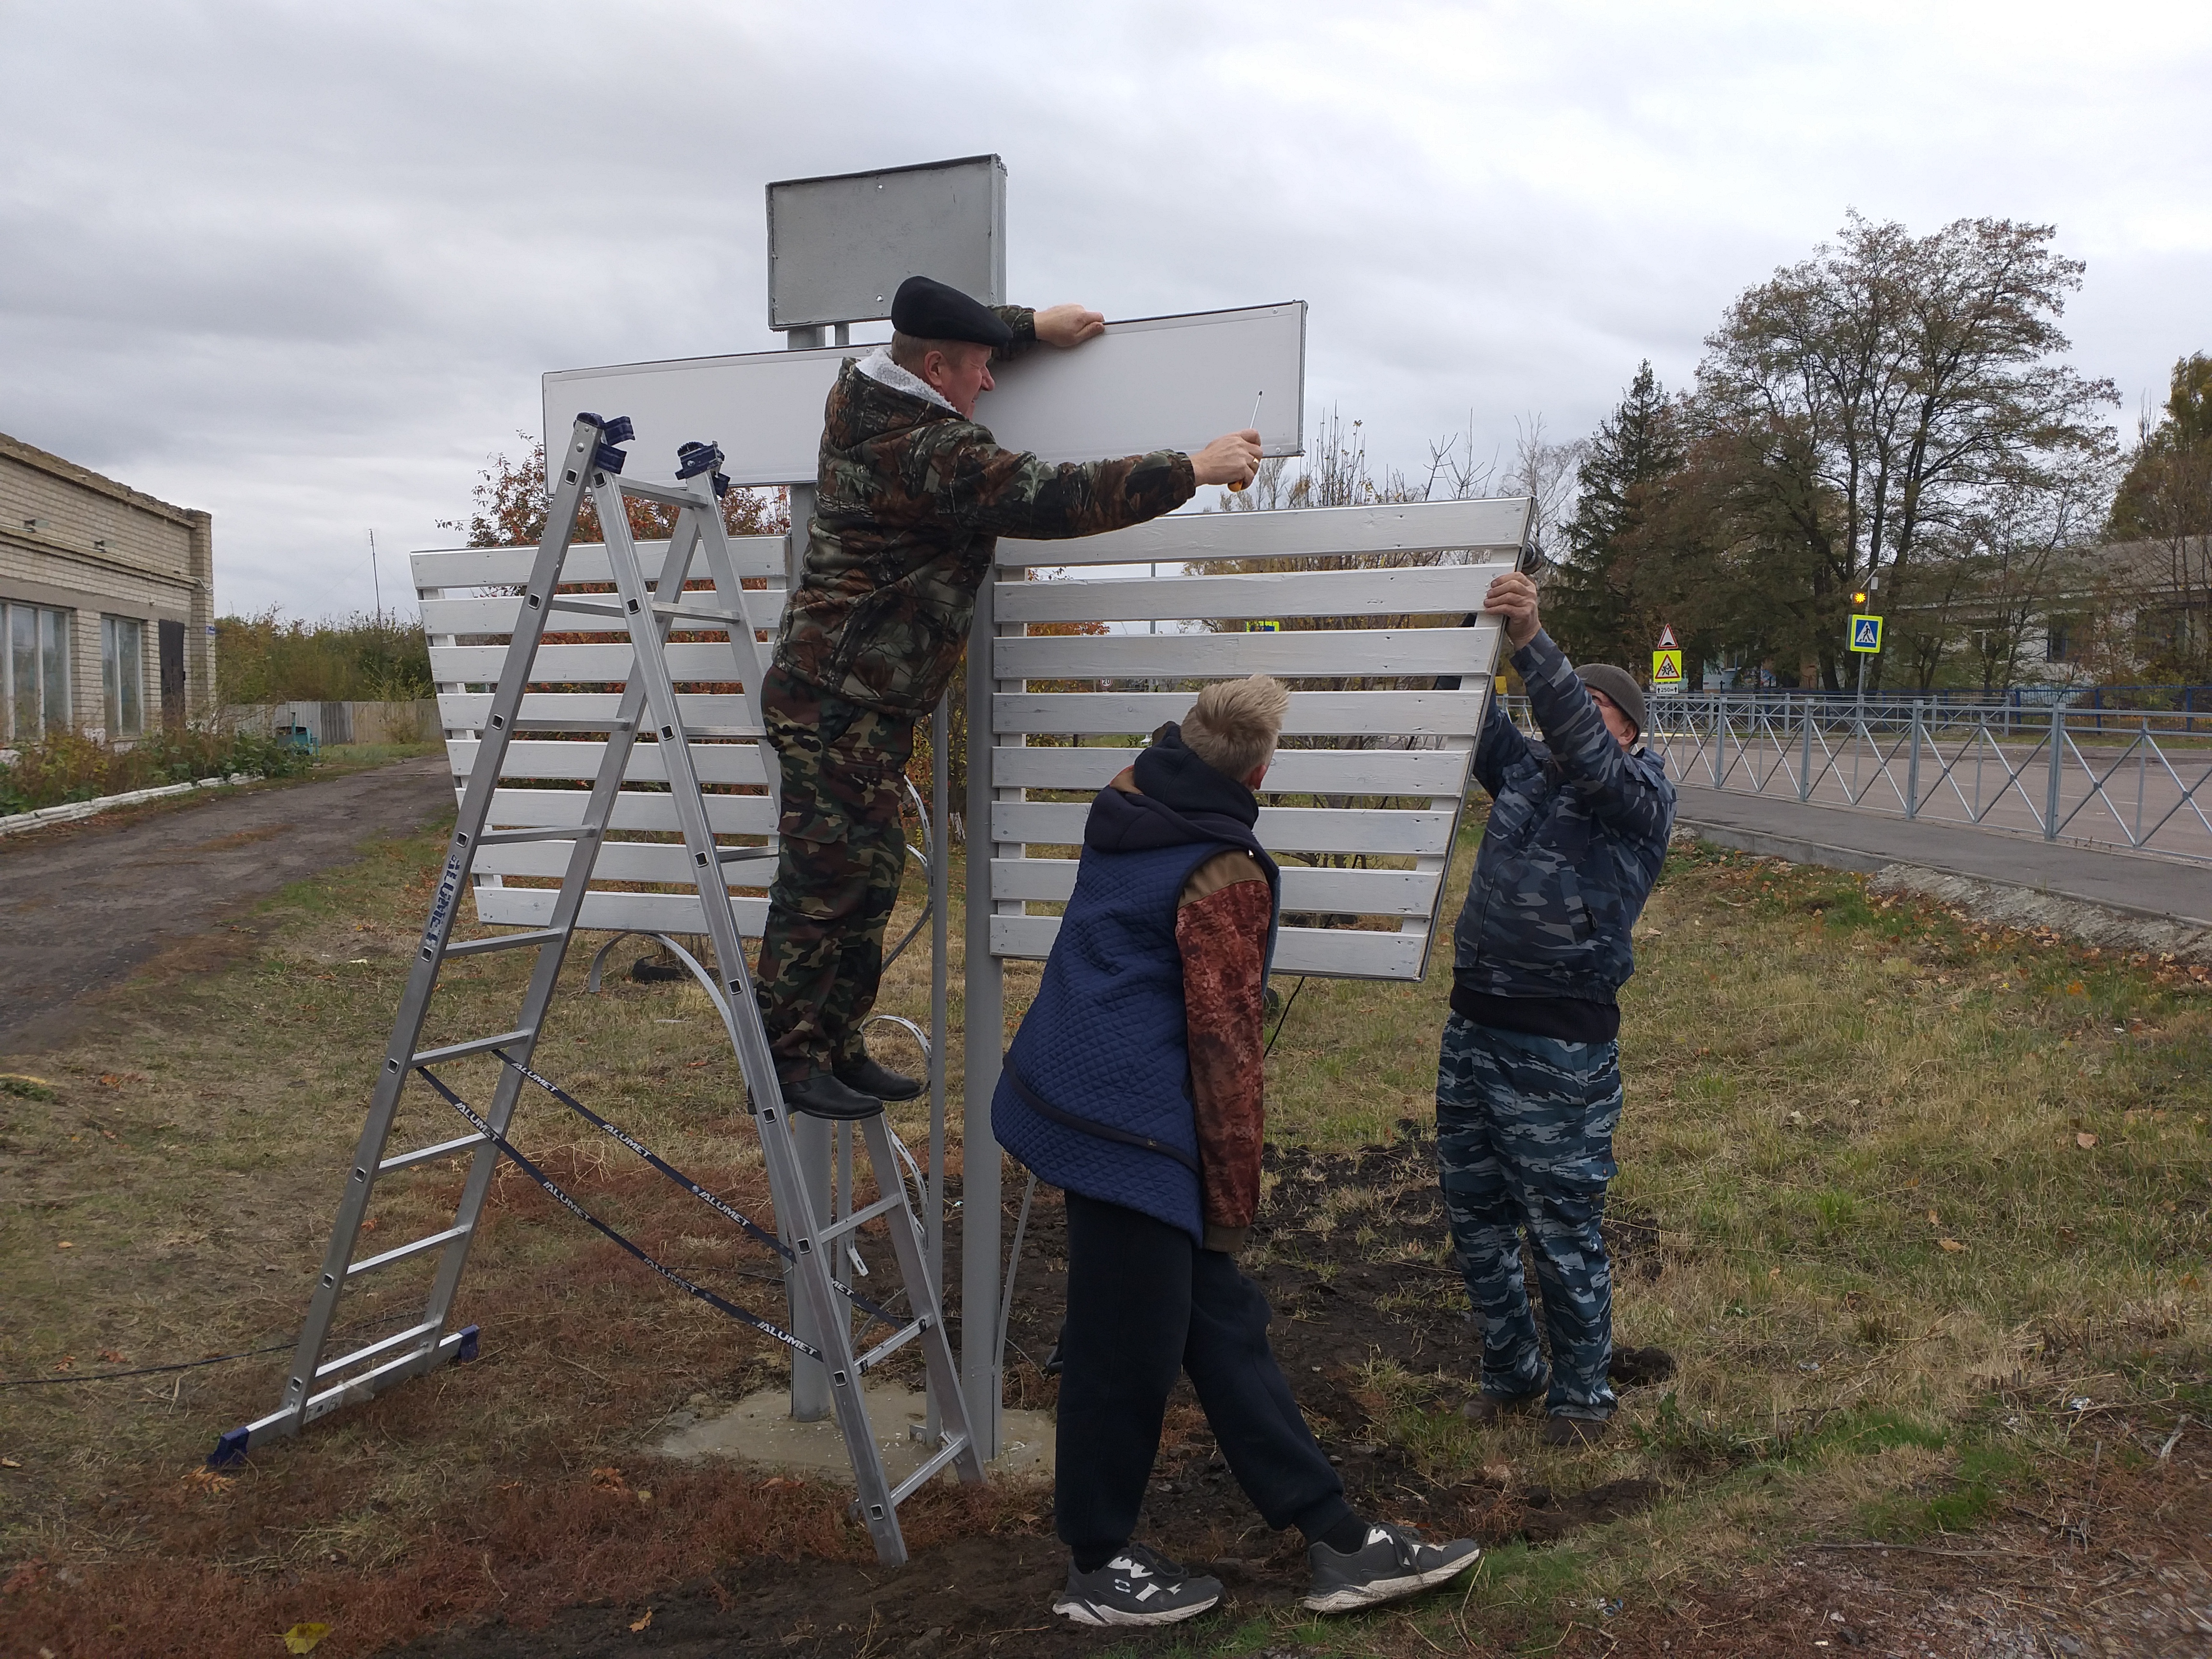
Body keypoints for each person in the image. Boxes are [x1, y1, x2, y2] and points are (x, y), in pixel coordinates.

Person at [995, 676, 1482, 1627]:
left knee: (1220, 1326)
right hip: (1137, 1129)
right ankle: (1098, 1568)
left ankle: (1336, 1538)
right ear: (1261, 770)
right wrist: (1229, 1204)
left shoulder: (1127, 801)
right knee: (1120, 1351)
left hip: (1071, 1088)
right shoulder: (1223, 870)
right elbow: (1228, 1059)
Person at [756, 275, 1264, 1121]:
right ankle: (788, 1056)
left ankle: (832, 1040)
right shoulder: (921, 450)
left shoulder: (868, 393)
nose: (990, 383)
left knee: (872, 878)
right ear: (935, 366)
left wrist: (1030, 326)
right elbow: (1055, 498)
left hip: (862, 696)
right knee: (825, 880)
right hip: (833, 697)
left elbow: (944, 328)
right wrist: (1194, 468)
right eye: (980, 368)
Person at [1440, 570, 1676, 1445]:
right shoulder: (1534, 774)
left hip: (1559, 1049)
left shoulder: (1639, 800)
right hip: (1474, 1028)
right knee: (1474, 1215)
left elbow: (1577, 741)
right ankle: (1511, 1369)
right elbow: (1478, 727)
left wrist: (1533, 644)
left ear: (1622, 728)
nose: (1567, 724)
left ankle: (1583, 1398)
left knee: (1561, 1225)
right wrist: (1453, 637)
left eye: (1589, 713)